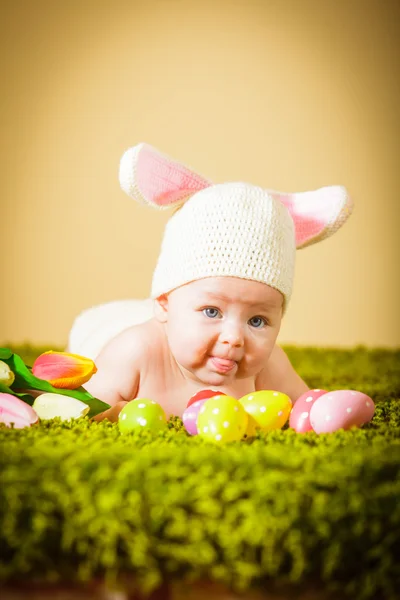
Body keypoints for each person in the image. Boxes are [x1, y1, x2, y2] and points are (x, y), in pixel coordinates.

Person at [67, 143, 353, 421]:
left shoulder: (267, 365)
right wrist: (113, 412)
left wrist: (326, 412)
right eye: (212, 311)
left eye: (256, 321)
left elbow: (306, 404)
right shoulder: (135, 351)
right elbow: (86, 406)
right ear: (164, 304)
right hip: (108, 327)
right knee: (97, 340)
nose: (234, 337)